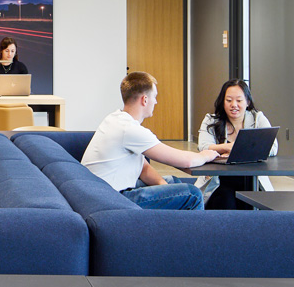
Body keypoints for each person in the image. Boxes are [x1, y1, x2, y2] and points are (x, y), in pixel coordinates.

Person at [81, 71, 217, 210]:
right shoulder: (130, 129)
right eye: (155, 96)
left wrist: (168, 189)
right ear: (145, 100)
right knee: (192, 195)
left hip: (100, 193)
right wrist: (207, 154)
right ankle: (194, 230)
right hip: (113, 200)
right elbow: (186, 161)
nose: (156, 101)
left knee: (173, 182)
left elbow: (143, 167)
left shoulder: (115, 118)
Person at [196, 80, 277, 209]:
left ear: (247, 102)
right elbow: (204, 146)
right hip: (220, 182)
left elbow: (272, 146)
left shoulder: (258, 118)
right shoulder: (211, 120)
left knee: (254, 205)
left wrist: (235, 150)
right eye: (229, 100)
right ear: (223, 102)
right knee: (225, 202)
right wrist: (227, 147)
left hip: (251, 180)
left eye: (239, 101)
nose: (234, 105)